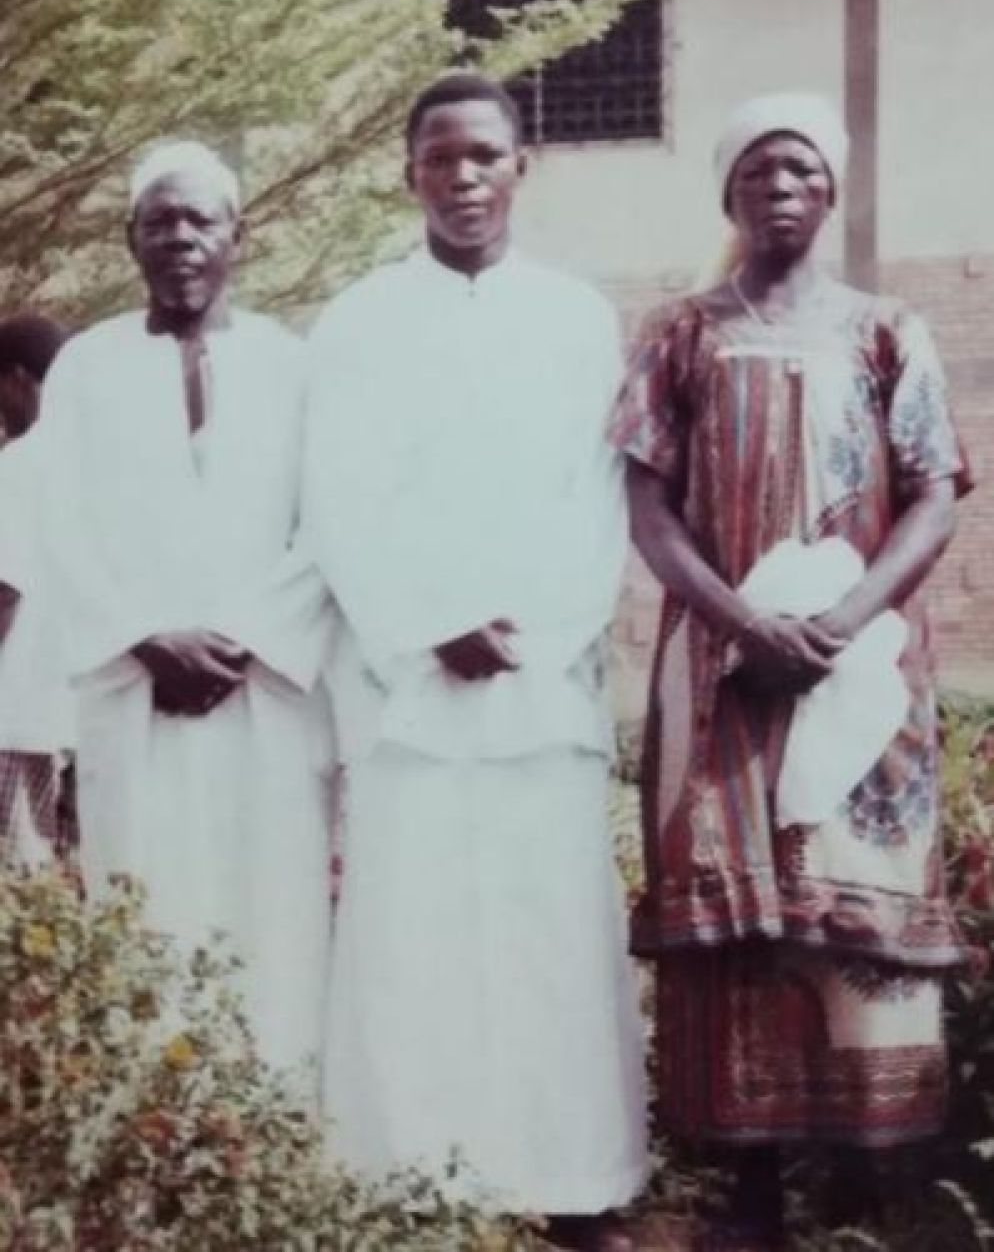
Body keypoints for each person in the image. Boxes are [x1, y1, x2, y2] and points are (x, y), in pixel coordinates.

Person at [610, 92, 971, 1250]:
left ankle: (875, 1186)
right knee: (732, 921)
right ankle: (749, 1190)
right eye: (759, 170)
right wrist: (734, 624)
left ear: (832, 190)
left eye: (802, 169)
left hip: (863, 669)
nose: (780, 187)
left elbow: (933, 490)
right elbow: (646, 500)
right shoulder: (680, 331)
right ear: (727, 192)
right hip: (720, 673)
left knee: (857, 909)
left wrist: (848, 619)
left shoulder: (888, 328)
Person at [304, 73, 647, 1250]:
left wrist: (531, 633)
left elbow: (598, 500)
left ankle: (574, 1180)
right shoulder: (354, 322)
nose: (463, 178)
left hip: (541, 689)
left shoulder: (575, 317)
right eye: (440, 158)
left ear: (521, 167)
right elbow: (339, 501)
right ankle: (411, 1178)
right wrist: (425, 623)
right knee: (416, 939)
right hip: (410, 690)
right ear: (407, 173)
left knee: (551, 937)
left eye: (485, 156)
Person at [36, 141, 336, 1087]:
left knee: (275, 900)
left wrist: (243, 640)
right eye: (158, 221)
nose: (179, 237)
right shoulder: (85, 366)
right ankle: (157, 1124)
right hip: (137, 693)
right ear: (131, 239)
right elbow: (55, 517)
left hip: (268, 695)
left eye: (199, 218)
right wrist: (144, 639)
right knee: (146, 892)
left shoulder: (297, 366)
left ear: (237, 234)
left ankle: (278, 1117)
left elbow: (328, 522)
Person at [0, 313, 73, 865]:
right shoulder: (104, 463)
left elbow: (4, 589)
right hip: (83, 715)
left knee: (21, 882)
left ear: (18, 378)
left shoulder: (19, 466)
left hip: (18, 711)